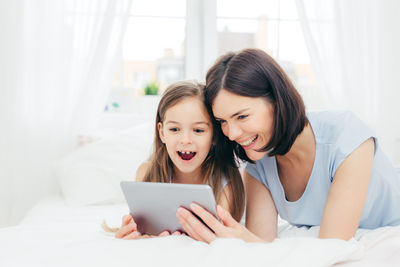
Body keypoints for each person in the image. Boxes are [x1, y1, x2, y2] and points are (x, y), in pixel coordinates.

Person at [176, 48, 400, 243]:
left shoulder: (347, 137)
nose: (232, 133)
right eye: (222, 121)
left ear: (277, 100)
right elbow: (262, 244)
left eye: (242, 116)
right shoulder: (258, 164)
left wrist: (244, 241)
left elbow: (332, 248)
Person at [113, 80, 245, 239]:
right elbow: (141, 231)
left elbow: (220, 239)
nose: (185, 140)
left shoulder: (225, 184)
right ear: (162, 132)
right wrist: (133, 234)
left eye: (198, 130)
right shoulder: (146, 173)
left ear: (214, 136)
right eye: (174, 129)